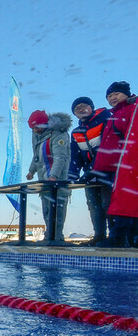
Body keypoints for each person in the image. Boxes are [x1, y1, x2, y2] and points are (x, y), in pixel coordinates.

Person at [96, 81, 138, 247]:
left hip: (125, 164)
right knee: (113, 203)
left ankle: (121, 237)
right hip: (111, 166)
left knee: (124, 200)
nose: (112, 98)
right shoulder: (114, 114)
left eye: (116, 94)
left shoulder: (131, 110)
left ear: (127, 94)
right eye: (109, 96)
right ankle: (121, 236)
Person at [69, 96, 113, 245]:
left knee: (108, 203)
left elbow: (106, 147)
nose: (81, 109)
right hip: (90, 174)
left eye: (83, 106)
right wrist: (72, 176)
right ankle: (99, 235)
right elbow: (74, 155)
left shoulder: (105, 120)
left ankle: (114, 236)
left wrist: (93, 170)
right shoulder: (76, 132)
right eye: (77, 108)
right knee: (94, 205)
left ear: (91, 107)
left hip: (108, 171)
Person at [26, 110, 73, 242]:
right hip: (44, 181)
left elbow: (60, 157)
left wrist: (54, 176)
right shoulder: (38, 137)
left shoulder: (59, 135)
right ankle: (49, 235)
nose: (35, 130)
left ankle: (57, 236)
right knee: (47, 209)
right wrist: (31, 171)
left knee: (57, 209)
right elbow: (36, 157)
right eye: (32, 128)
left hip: (58, 180)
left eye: (36, 127)